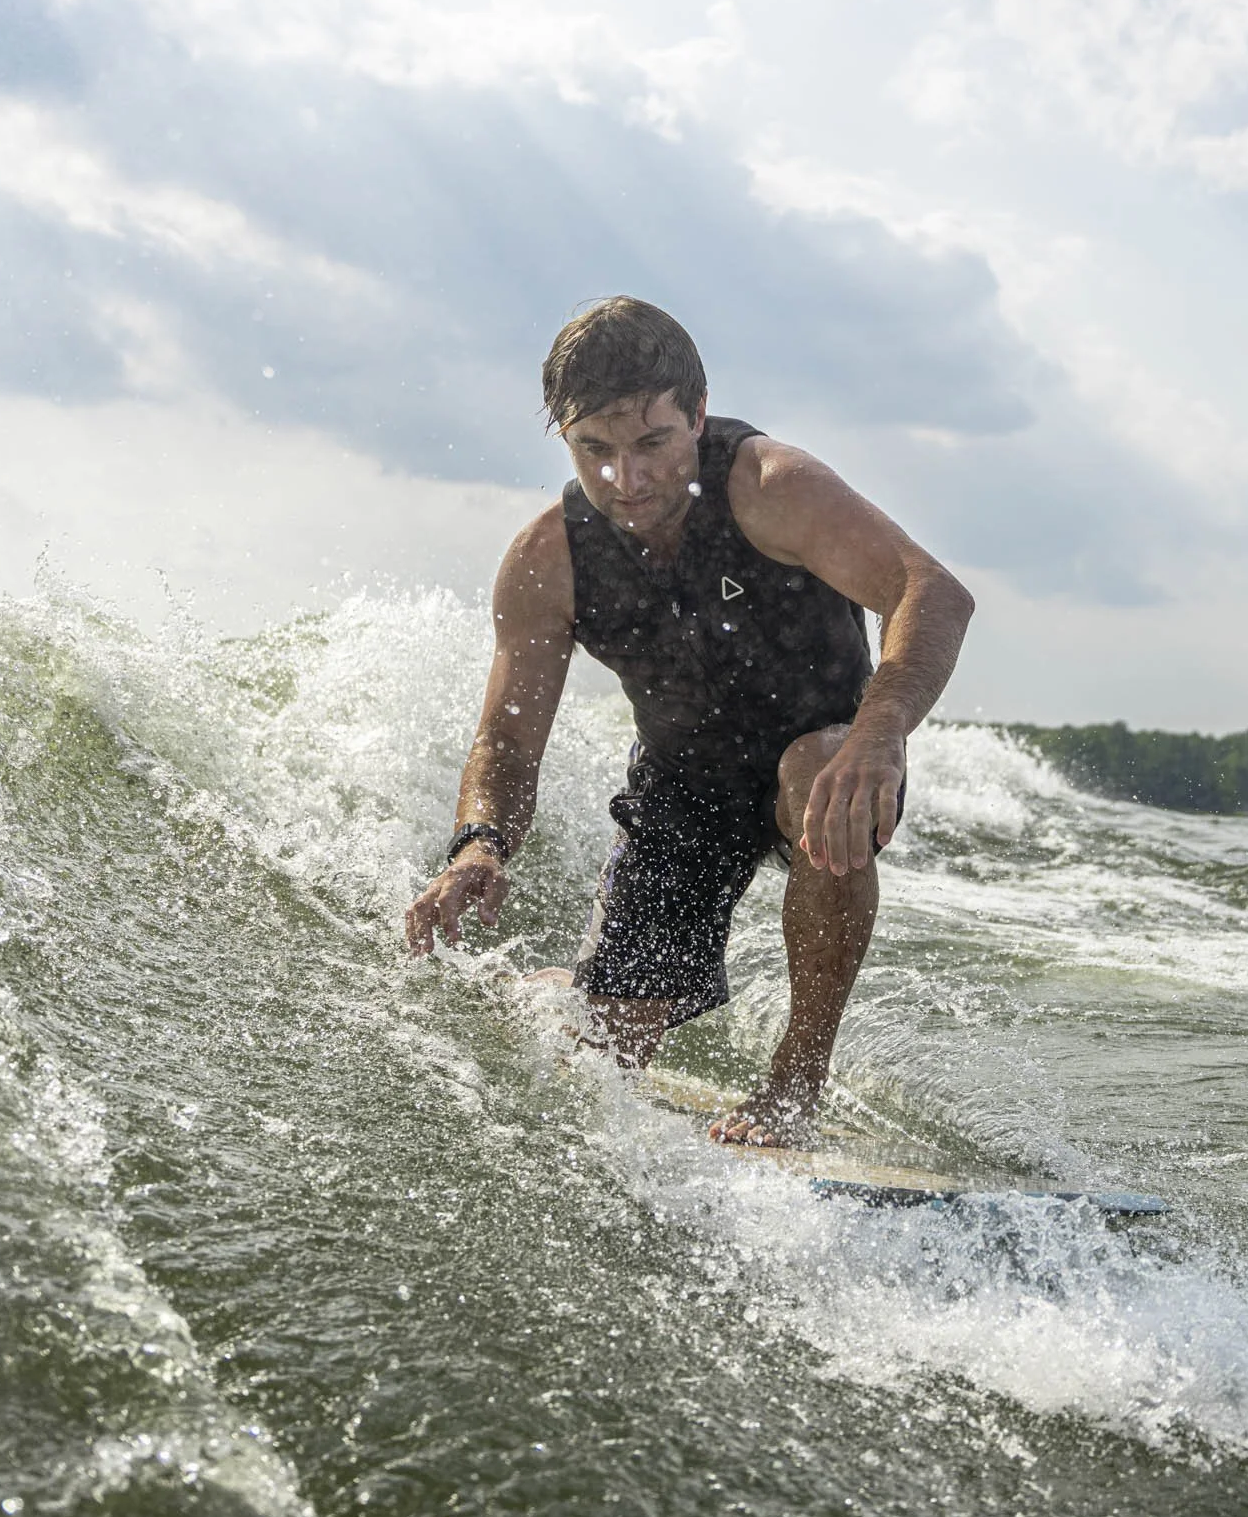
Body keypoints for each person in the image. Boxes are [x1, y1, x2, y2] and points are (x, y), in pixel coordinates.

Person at [404, 299, 974, 1146]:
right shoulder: (549, 561)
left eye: (652, 443)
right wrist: (479, 845)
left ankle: (795, 1083)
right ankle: (553, 990)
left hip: (826, 756)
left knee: (816, 770)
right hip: (684, 790)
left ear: (697, 415)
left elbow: (931, 592)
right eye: (594, 449)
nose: (625, 480)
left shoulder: (771, 489)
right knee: (603, 1056)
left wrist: (880, 733)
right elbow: (508, 739)